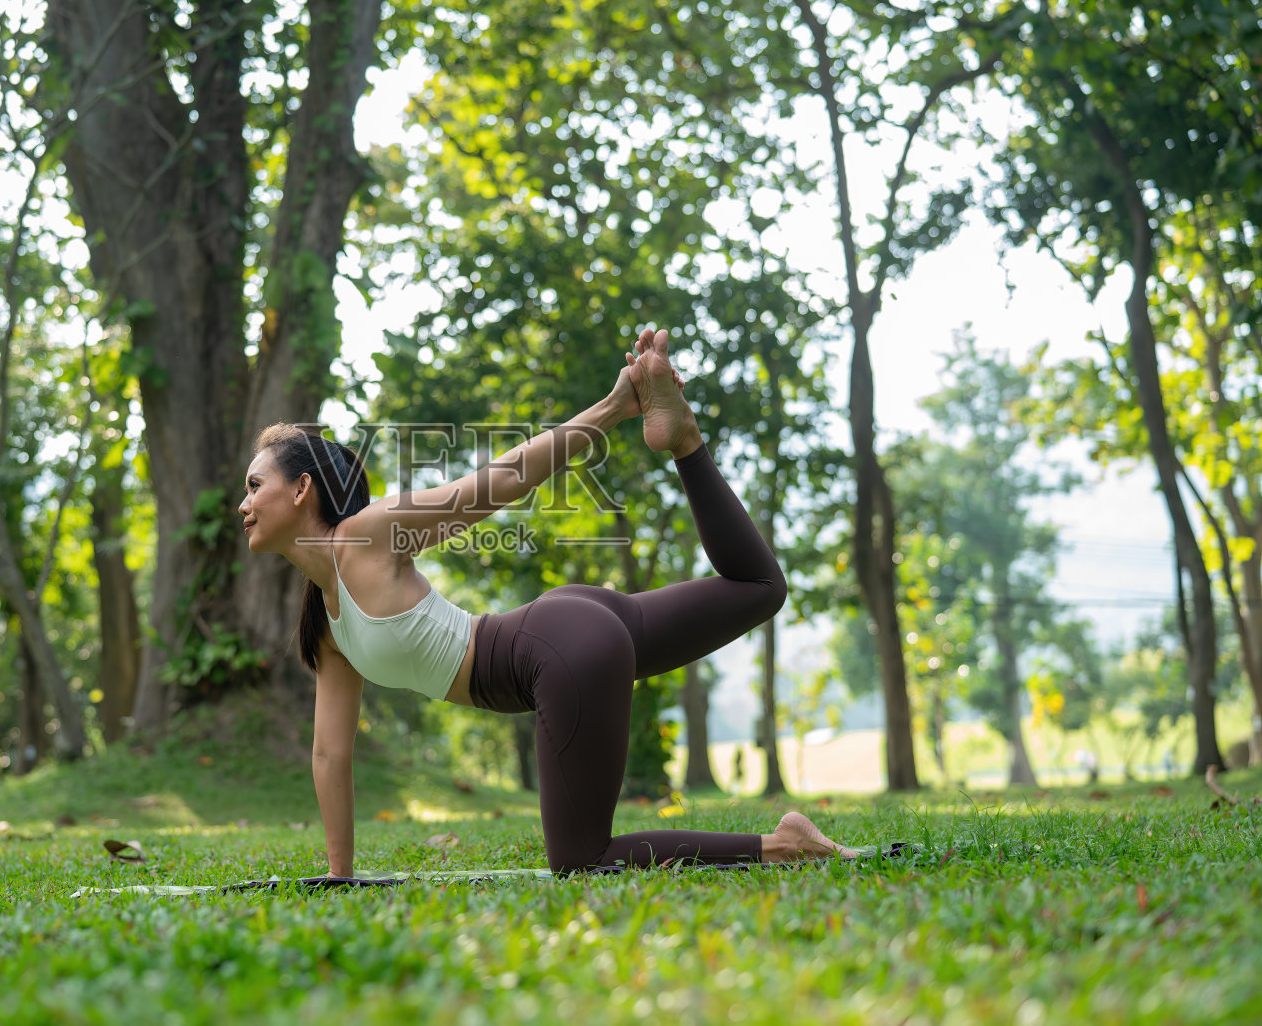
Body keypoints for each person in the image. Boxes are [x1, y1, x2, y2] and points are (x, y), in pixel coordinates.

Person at [238, 328, 866, 875]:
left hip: (556, 652)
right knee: (759, 589)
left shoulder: (368, 535)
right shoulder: (327, 618)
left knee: (582, 861)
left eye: (254, 485)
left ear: (301, 489)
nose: (242, 505)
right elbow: (330, 750)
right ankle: (686, 441)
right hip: (569, 630)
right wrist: (340, 873)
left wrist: (616, 406)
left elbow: (503, 479)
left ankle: (782, 846)